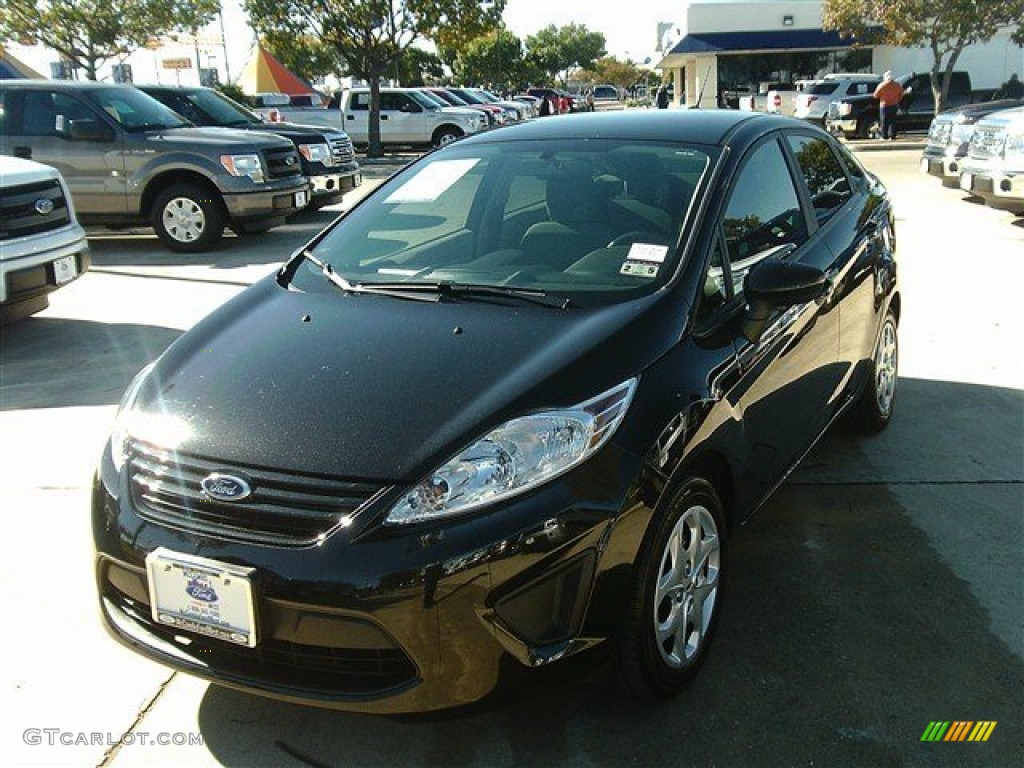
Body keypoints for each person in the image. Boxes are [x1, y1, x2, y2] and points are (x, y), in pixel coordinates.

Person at [873, 71, 905, 140]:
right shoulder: (897, 85)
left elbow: (875, 95)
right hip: (894, 105)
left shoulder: (882, 85)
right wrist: (897, 99)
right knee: (892, 121)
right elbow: (902, 93)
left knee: (884, 121)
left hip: (884, 105)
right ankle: (892, 136)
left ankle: (884, 136)